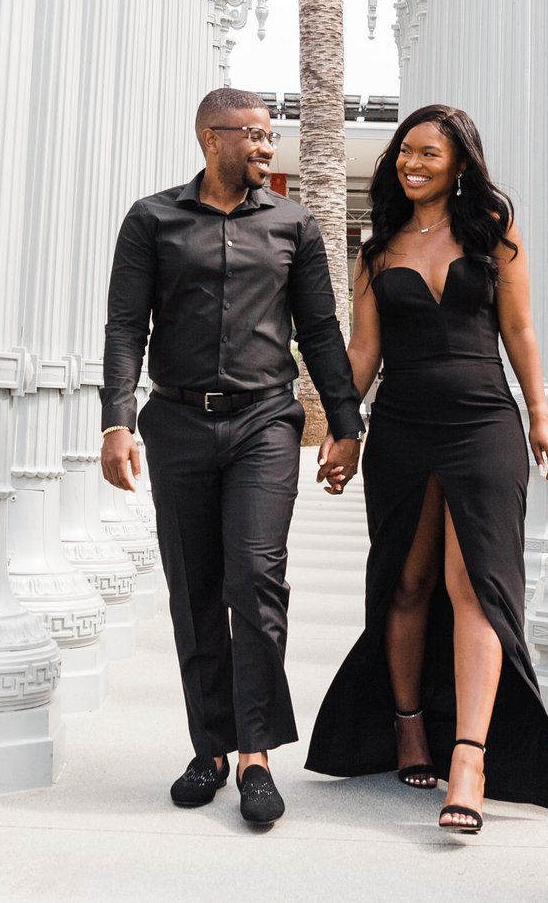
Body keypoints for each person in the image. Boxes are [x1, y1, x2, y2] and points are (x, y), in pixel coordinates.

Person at [100, 87, 364, 830]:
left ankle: (255, 754)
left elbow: (319, 329)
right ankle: (208, 747)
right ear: (210, 137)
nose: (266, 148)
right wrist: (116, 420)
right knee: (194, 589)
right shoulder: (152, 219)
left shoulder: (294, 224)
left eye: (269, 136)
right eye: (253, 134)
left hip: (263, 423)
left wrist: (346, 424)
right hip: (178, 422)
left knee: (254, 577)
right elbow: (126, 326)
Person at [305, 103, 548, 833]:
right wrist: (342, 427)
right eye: (405, 152)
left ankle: (470, 759)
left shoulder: (492, 230)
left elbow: (519, 329)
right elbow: (363, 352)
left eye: (429, 153)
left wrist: (540, 414)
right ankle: (409, 724)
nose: (412, 163)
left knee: (473, 582)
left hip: (484, 422)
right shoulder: (378, 246)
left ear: (459, 164)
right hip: (402, 427)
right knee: (409, 581)